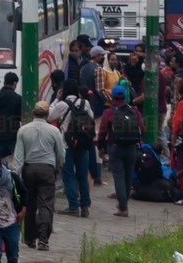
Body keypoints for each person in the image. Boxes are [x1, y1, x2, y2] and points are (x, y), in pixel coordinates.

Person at [12, 101, 64, 251]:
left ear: (33, 113)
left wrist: (16, 174)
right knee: (46, 204)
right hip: (47, 170)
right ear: (47, 115)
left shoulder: (23, 130)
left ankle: (29, 238)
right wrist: (56, 166)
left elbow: (18, 156)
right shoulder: (54, 131)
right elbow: (61, 154)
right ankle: (43, 239)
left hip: (29, 169)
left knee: (29, 203)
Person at [50, 79, 95, 218]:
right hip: (83, 144)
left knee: (68, 176)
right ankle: (85, 206)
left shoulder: (63, 104)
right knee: (82, 175)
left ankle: (73, 206)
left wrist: (56, 100)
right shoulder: (85, 103)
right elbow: (91, 118)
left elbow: (49, 116)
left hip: (67, 145)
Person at [97, 86, 143, 216]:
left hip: (115, 147)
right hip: (131, 148)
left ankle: (123, 208)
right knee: (128, 176)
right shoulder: (134, 111)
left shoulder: (109, 112)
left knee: (118, 176)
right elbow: (143, 129)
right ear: (125, 96)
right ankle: (124, 203)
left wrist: (100, 147)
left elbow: (102, 132)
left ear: (112, 97)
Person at [0, 71, 22, 160]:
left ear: (4, 81)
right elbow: (21, 117)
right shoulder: (18, 98)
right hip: (12, 134)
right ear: (14, 83)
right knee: (14, 159)